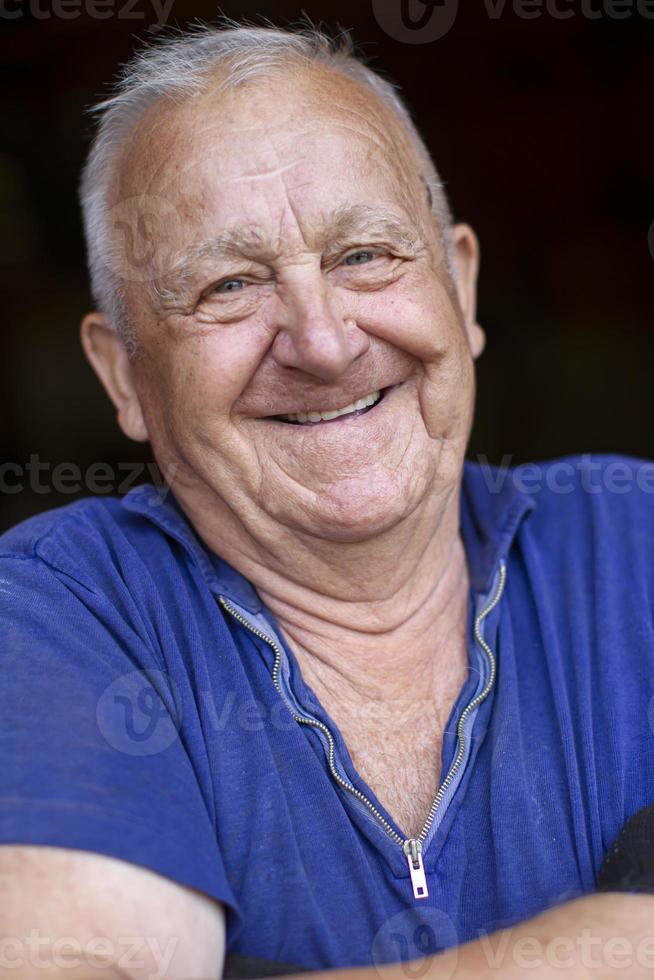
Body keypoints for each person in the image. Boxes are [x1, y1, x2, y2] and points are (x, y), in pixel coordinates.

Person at [1, 20, 653, 980]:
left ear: (461, 286)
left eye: (367, 255)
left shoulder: (638, 542)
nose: (323, 341)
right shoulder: (55, 612)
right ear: (124, 375)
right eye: (229, 284)